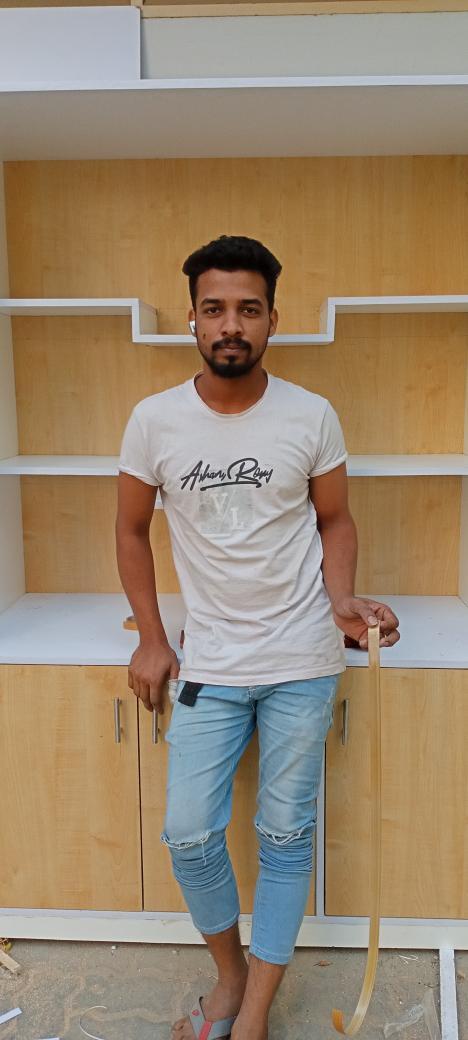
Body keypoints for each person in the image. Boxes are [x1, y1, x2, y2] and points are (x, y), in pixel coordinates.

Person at [116, 235, 400, 1040]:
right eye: (214, 309)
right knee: (188, 834)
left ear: (273, 319)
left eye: (248, 309)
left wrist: (342, 600)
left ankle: (254, 1017)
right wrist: (152, 637)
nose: (230, 325)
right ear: (193, 320)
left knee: (284, 833)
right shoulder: (154, 421)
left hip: (303, 658)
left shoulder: (311, 415)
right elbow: (131, 532)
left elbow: (335, 520)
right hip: (209, 659)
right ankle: (232, 977)